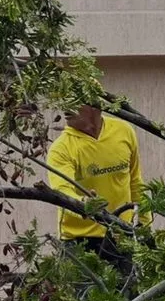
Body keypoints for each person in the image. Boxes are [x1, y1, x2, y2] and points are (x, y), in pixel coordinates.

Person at [45, 104, 151, 290]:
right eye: (63, 101)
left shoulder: (124, 132)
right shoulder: (61, 149)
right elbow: (62, 191)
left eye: (72, 101)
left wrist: (145, 226)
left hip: (121, 236)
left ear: (93, 105)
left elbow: (135, 181)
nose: (65, 108)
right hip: (80, 242)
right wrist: (85, 205)